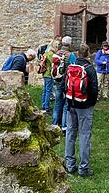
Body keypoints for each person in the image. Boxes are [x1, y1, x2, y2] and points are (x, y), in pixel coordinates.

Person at [63, 44, 99, 177]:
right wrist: (91, 103)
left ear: (77, 53)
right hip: (85, 106)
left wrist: (68, 101)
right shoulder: (90, 69)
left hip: (71, 105)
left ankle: (70, 165)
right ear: (88, 53)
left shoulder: (70, 67)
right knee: (84, 135)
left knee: (70, 134)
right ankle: (83, 169)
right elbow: (94, 90)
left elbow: (63, 86)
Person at [52, 36, 77, 130]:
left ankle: (54, 124)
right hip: (66, 82)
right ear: (70, 44)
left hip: (57, 80)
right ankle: (64, 126)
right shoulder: (71, 55)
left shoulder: (57, 53)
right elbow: (74, 68)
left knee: (57, 102)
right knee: (67, 104)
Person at [39, 36, 61, 111]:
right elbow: (55, 64)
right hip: (49, 74)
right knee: (48, 91)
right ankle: (46, 107)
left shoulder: (46, 53)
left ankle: (43, 105)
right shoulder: (52, 55)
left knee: (45, 90)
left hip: (45, 73)